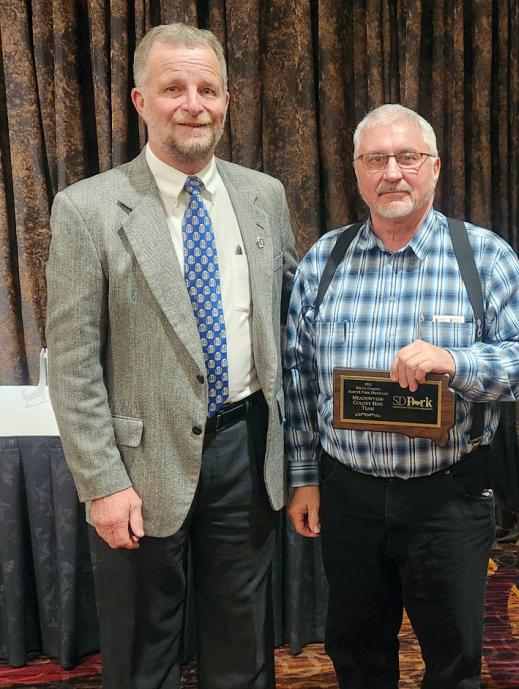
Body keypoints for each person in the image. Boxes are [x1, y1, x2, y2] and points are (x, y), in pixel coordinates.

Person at [45, 23, 297, 689]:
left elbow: (289, 318)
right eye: (173, 88)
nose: (193, 104)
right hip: (139, 465)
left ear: (226, 101)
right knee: (142, 652)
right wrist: (102, 482)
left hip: (247, 450)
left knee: (242, 644)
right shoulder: (87, 209)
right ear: (140, 101)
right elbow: (72, 362)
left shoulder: (264, 195)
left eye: (208, 89)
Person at [283, 103, 519, 689]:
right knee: (356, 655)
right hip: (348, 495)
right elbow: (297, 379)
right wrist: (304, 477)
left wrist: (456, 362)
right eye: (375, 159)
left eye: (407, 157)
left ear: (434, 167)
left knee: (453, 660)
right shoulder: (323, 261)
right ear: (357, 171)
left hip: (447, 497)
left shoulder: (484, 256)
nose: (392, 173)